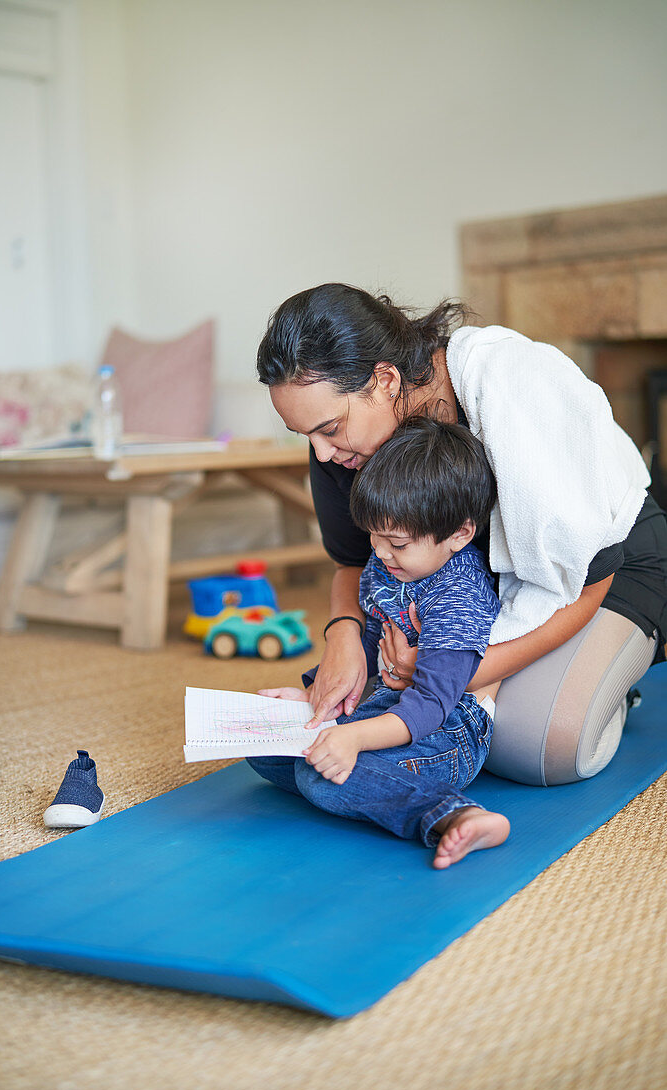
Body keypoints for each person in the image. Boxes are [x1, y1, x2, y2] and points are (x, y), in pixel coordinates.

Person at [257, 283, 667, 787]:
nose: (321, 454)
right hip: (459, 592)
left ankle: (618, 679)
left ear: (385, 379)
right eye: (307, 436)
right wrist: (342, 633)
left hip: (608, 568)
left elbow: (586, 577)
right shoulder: (342, 446)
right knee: (348, 719)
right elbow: (351, 561)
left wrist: (453, 674)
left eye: (329, 428)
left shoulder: (513, 388)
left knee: (538, 747)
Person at [250, 416, 509, 868]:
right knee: (263, 748)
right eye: (374, 537)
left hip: (447, 729)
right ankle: (366, 777)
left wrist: (352, 738)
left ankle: (453, 815)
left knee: (321, 779)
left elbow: (430, 704)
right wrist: (313, 699)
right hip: (386, 707)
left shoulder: (457, 595)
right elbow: (369, 643)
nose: (382, 552)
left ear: (460, 534)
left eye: (397, 543)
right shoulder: (388, 564)